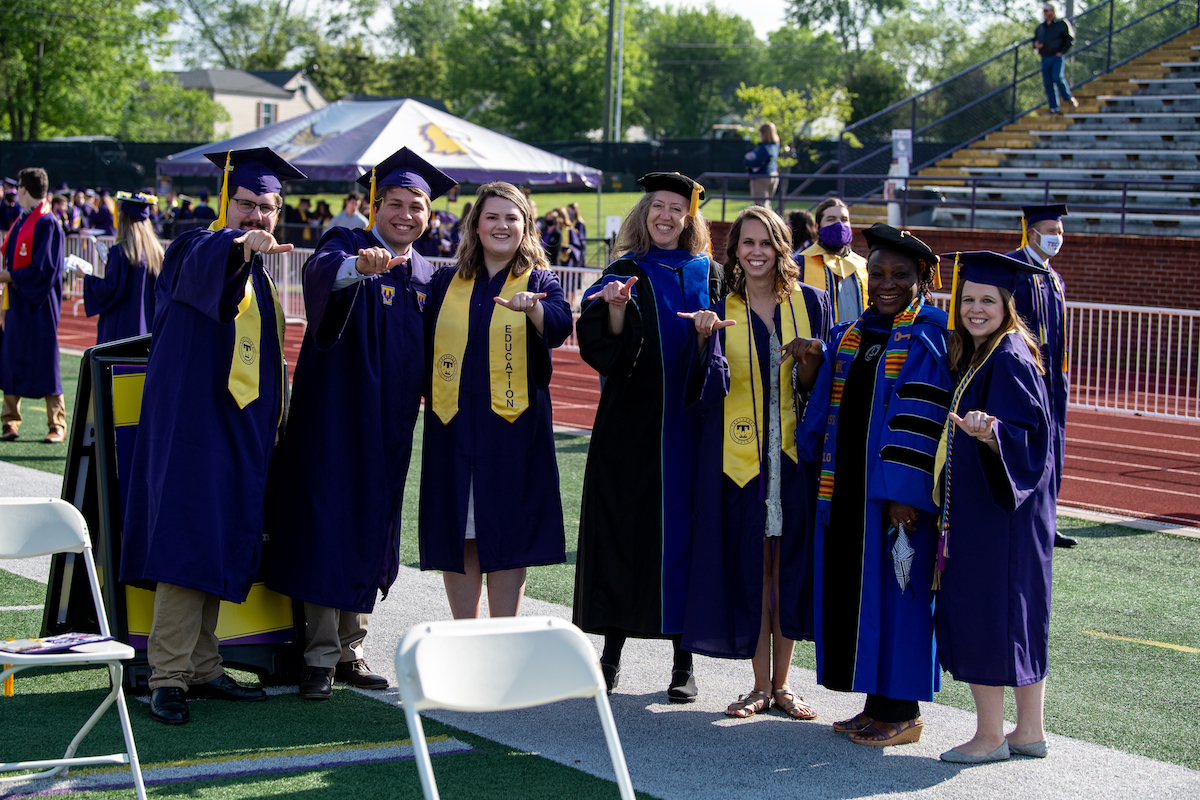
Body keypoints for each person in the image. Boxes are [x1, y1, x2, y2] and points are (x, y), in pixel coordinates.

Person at [119, 147, 306, 726]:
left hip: (240, 433)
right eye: (247, 204)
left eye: (268, 208)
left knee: (219, 540)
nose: (257, 217)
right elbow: (211, 268)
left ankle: (203, 664)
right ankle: (167, 674)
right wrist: (236, 246)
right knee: (185, 542)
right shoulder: (190, 248)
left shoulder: (268, 286)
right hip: (191, 428)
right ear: (226, 202)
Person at [264, 148, 455, 701]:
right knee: (329, 527)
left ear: (429, 215)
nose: (405, 214)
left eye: (416, 206)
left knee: (372, 528)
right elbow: (321, 272)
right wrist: (358, 268)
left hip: (391, 430)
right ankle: (318, 656)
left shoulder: (427, 276)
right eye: (394, 203)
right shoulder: (346, 245)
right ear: (373, 206)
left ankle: (352, 647)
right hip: (333, 423)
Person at [796, 223, 949, 746]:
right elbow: (827, 410)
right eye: (877, 273)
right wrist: (812, 370)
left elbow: (921, 417)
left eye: (900, 275)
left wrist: (903, 496)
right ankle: (874, 703)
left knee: (898, 597)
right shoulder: (853, 334)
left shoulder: (929, 334)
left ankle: (902, 712)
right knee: (864, 598)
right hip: (846, 496)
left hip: (893, 499)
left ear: (921, 280)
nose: (886, 283)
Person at [573, 171, 721, 703]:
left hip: (695, 428)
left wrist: (710, 336)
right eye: (657, 206)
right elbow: (601, 347)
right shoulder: (622, 271)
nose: (665, 215)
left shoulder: (713, 274)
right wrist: (614, 308)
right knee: (625, 532)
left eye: (676, 208)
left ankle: (684, 664)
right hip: (631, 430)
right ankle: (610, 655)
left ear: (689, 218)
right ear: (645, 213)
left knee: (690, 537)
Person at [680, 205, 831, 721]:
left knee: (785, 568)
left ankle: (784, 685)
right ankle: (759, 685)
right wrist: (702, 341)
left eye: (766, 242)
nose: (757, 251)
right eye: (747, 243)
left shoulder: (813, 303)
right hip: (740, 462)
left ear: (782, 247)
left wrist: (812, 363)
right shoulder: (720, 307)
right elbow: (703, 388)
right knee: (754, 568)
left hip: (795, 458)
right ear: (735, 252)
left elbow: (827, 388)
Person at [420, 182, 571, 619]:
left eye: (512, 217)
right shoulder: (447, 281)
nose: (501, 225)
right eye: (492, 217)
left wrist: (534, 309)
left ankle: (502, 637)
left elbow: (560, 324)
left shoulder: (541, 280)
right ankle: (466, 639)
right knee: (461, 533)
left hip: (513, 431)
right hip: (452, 427)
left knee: (508, 533)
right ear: (476, 224)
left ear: (526, 226)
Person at [933, 250, 1055, 764]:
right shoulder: (996, 351)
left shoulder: (1005, 357)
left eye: (988, 300)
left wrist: (992, 434)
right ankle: (1029, 731)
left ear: (1008, 304)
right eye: (968, 300)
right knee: (1019, 615)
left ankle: (988, 736)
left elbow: (1030, 437)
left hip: (996, 515)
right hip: (1013, 515)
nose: (975, 309)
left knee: (988, 613)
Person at [1007, 204, 1073, 548]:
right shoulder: (1012, 270)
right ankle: (1023, 514)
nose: (1056, 238)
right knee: (1027, 441)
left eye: (1060, 232)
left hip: (1054, 380)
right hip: (1024, 374)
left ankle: (1048, 518)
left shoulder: (1054, 278)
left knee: (1054, 445)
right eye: (1050, 231)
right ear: (1031, 232)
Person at [0, 167, 67, 444]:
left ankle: (57, 423)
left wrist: (9, 277)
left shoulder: (47, 223)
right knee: (11, 357)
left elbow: (46, 271)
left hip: (39, 305)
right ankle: (10, 420)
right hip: (16, 302)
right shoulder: (20, 221)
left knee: (45, 361)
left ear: (24, 189)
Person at [73, 191, 163, 344]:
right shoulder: (156, 252)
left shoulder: (121, 251)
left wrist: (85, 277)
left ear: (124, 219)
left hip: (122, 328)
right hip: (148, 328)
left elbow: (111, 289)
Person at [796, 198, 868, 323]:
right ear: (817, 227)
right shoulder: (800, 263)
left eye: (844, 219)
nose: (839, 224)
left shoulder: (863, 265)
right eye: (831, 219)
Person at [1034, 2, 1077, 114]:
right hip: (1045, 57)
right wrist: (1036, 45)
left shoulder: (1062, 24)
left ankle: (1068, 98)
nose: (1044, 13)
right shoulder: (1041, 27)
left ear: (1053, 11)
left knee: (1057, 77)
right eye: (1043, 11)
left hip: (1056, 56)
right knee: (1048, 83)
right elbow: (1035, 40)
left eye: (1047, 11)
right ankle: (1054, 107)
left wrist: (1061, 52)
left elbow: (1069, 39)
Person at [745, 122, 781, 207]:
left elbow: (758, 163)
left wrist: (747, 161)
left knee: (761, 205)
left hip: (762, 177)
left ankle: (765, 220)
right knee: (766, 204)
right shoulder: (775, 145)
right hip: (773, 175)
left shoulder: (764, 147)